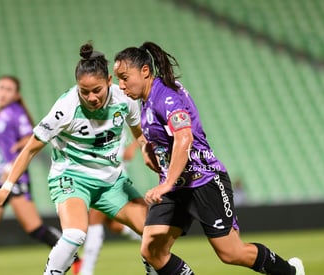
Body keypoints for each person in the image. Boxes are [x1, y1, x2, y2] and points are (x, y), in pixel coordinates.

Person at [113, 41, 305, 275]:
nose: (120, 85)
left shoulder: (166, 97)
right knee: (152, 250)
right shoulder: (146, 100)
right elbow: (163, 138)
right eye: (118, 79)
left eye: (124, 77)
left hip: (203, 180)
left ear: (145, 71)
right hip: (176, 187)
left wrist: (167, 183)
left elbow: (184, 138)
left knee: (231, 253)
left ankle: (290, 272)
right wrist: (148, 150)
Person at [0, 43, 158, 275]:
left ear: (109, 81)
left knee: (153, 231)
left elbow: (139, 134)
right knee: (76, 234)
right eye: (84, 91)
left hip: (111, 181)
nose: (91, 97)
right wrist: (6, 188)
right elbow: (29, 149)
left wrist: (147, 151)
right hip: (71, 178)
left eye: (96, 90)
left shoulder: (125, 99)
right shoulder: (66, 109)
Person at [0, 75, 81, 275]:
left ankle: (73, 256)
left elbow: (30, 139)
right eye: (1, 87)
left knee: (35, 229)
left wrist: (11, 163)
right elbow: (1, 146)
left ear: (16, 95)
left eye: (9, 89)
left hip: (15, 179)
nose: (3, 92)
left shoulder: (16, 113)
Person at [80, 138, 141, 275]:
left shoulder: (114, 122)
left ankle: (86, 271)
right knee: (116, 226)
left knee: (94, 219)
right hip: (99, 173)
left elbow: (127, 152)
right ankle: (147, 236)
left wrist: (134, 144)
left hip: (112, 174)